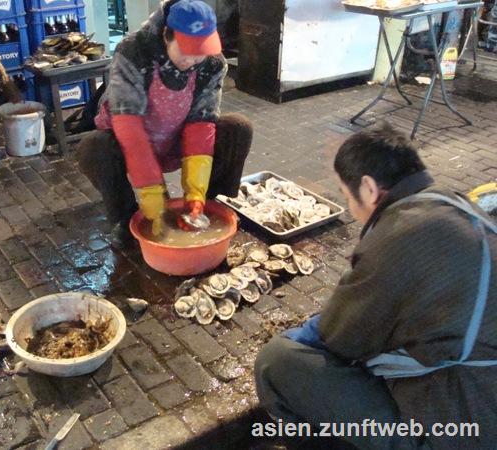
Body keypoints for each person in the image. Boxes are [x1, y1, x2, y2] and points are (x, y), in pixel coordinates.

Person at [255, 124, 497, 450]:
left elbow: (338, 339)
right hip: (484, 402)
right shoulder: (455, 205)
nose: (352, 210)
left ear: (368, 188)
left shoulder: (400, 234)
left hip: (457, 431)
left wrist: (309, 329)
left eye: (345, 195)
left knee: (278, 360)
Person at [77, 0, 252, 237]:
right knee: (93, 148)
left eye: (199, 52)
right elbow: (129, 128)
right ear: (166, 35)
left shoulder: (212, 63)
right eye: (186, 51)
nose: (191, 61)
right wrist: (154, 197)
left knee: (238, 128)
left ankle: (208, 206)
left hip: (176, 138)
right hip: (132, 139)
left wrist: (195, 194)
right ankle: (129, 216)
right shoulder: (133, 51)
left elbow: (200, 124)